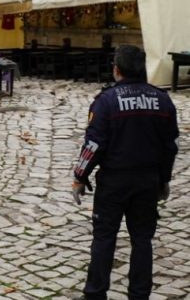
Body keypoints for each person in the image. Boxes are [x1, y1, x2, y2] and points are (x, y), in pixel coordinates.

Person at [72, 45, 178, 300]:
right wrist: (164, 179)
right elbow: (170, 147)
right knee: (142, 239)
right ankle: (139, 294)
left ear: (116, 70)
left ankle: (96, 293)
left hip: (114, 181)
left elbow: (93, 145)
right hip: (148, 180)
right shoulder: (162, 100)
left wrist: (79, 176)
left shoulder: (106, 101)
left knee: (104, 237)